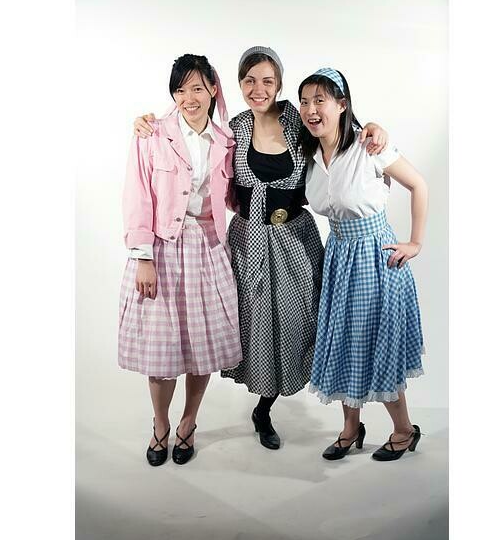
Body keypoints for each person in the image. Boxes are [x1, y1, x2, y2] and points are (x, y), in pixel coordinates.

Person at [133, 47, 389, 451]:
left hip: (295, 241)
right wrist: (147, 121)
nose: (258, 89)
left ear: (280, 84)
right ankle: (258, 411)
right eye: (249, 80)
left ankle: (305, 412)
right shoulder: (232, 130)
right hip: (246, 240)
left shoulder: (298, 121)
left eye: (268, 80)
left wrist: (371, 127)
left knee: (300, 323)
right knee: (253, 326)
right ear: (236, 85)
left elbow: (336, 127)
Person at [298, 68, 428, 462]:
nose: (311, 109)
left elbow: (418, 184)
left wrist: (415, 242)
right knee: (341, 341)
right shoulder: (309, 155)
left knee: (377, 343)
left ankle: (404, 430)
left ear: (341, 105)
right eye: (305, 101)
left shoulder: (368, 145)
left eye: (320, 100)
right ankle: (351, 428)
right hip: (339, 255)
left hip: (375, 257)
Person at [119, 54, 242, 467]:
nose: (189, 97)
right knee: (161, 352)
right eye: (180, 89)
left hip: (208, 248)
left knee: (200, 346)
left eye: (197, 88)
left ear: (213, 89)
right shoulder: (152, 133)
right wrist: (143, 257)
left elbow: (230, 197)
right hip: (162, 249)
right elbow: (137, 195)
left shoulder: (225, 141)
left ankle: (188, 422)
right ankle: (160, 424)